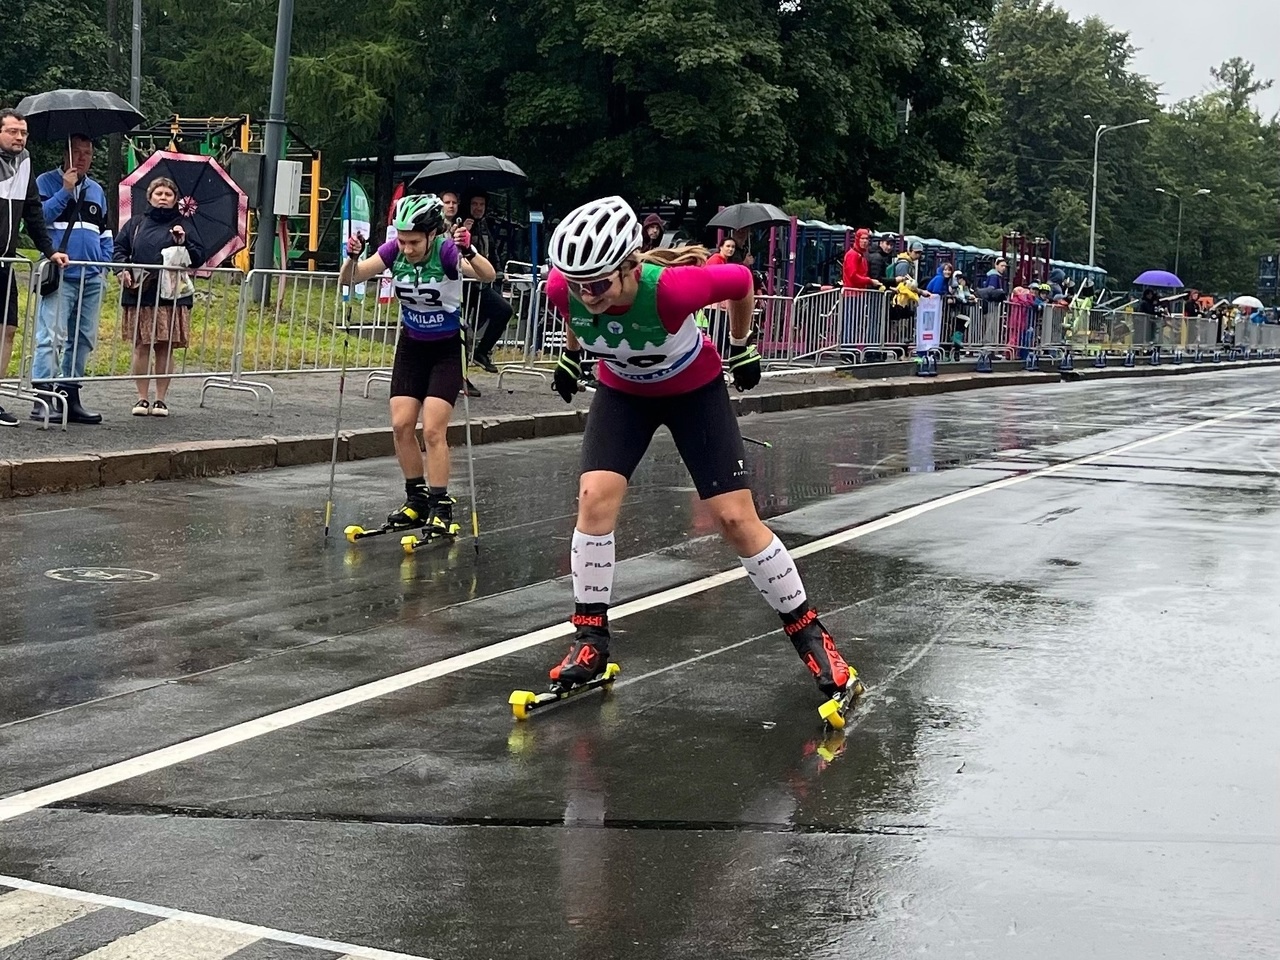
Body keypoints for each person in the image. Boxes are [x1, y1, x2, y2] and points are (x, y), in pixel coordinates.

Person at [542, 196, 861, 718]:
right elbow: (572, 311)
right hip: (623, 393)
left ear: (628, 266)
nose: (587, 295)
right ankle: (590, 640)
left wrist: (742, 343)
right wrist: (571, 354)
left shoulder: (670, 291)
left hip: (693, 392)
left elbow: (738, 282)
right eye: (577, 283)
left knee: (735, 519)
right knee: (594, 500)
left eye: (598, 284)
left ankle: (813, 637)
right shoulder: (568, 287)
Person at [339, 193, 496, 537]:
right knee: (400, 426)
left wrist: (469, 251)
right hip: (411, 346)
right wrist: (352, 257)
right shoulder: (394, 250)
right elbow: (349, 279)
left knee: (434, 430)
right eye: (402, 239)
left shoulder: (445, 251)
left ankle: (442, 505)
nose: (406, 248)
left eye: (413, 242)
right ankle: (417, 499)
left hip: (445, 349)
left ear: (431, 234)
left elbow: (487, 275)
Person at [32, 134, 113, 424]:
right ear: (65, 153)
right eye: (77, 152)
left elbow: (105, 231)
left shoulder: (96, 190)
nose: (82, 158)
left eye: (87, 153)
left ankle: (70, 394)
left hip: (91, 276)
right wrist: (65, 191)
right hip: (61, 274)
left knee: (83, 339)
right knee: (50, 337)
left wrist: (104, 264)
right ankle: (42, 398)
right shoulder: (44, 182)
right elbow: (37, 220)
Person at [113, 176, 205, 417]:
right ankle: (142, 398)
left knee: (165, 348)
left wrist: (183, 241)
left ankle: (161, 399)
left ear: (175, 199)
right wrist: (121, 269)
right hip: (141, 292)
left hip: (172, 296)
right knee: (141, 345)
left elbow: (198, 257)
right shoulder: (134, 224)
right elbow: (119, 249)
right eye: (158, 193)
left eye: (168, 194)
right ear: (150, 197)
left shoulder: (184, 225)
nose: (163, 198)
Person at [0, 108, 68, 427]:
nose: (19, 137)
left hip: (7, 261)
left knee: (7, 331)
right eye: (12, 131)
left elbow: (33, 212)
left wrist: (50, 251)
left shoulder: (25, 162)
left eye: (23, 132)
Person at [461, 191, 513, 374]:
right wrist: (464, 232)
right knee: (462, 330)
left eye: (481, 204)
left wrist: (499, 271)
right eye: (474, 203)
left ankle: (482, 352)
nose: (478, 208)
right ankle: (462, 377)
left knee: (504, 310)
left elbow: (492, 250)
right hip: (462, 286)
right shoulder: (460, 225)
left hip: (480, 285)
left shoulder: (484, 225)